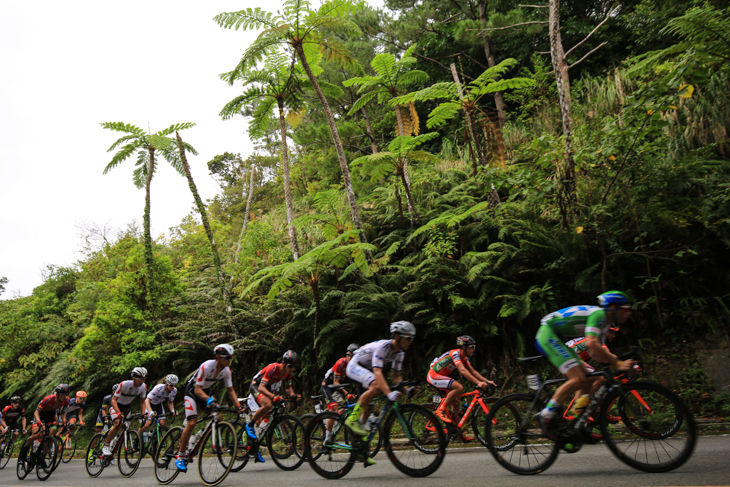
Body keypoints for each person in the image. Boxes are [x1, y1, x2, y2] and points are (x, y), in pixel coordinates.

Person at [535, 291, 636, 442]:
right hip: (548, 335)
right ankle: (545, 416)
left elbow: (596, 353)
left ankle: (577, 422)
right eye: (627, 309)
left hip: (558, 338)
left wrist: (615, 365)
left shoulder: (604, 324)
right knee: (578, 379)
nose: (629, 313)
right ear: (614, 307)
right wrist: (618, 363)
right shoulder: (600, 315)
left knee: (592, 379)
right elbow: (591, 343)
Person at [345, 321, 418, 466]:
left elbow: (396, 377)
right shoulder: (382, 347)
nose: (410, 342)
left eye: (412, 339)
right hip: (355, 366)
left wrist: (407, 390)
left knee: (369, 408)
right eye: (408, 338)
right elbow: (377, 372)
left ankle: (361, 449)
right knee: (377, 386)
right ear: (397, 336)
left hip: (366, 372)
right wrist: (389, 393)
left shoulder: (400, 353)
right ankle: (352, 419)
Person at [177, 344, 244, 472]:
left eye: (231, 357)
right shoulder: (207, 366)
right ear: (218, 357)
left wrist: (238, 406)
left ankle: (198, 438)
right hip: (192, 391)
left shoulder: (226, 371)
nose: (230, 360)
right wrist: (208, 399)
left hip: (205, 391)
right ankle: (180, 455)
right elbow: (197, 389)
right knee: (191, 422)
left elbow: (230, 390)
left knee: (218, 417)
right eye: (227, 358)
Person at [427, 335, 496, 441]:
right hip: (433, 375)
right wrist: (478, 383)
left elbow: (473, 371)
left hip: (440, 378)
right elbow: (462, 370)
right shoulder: (455, 354)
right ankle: (440, 410)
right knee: (459, 387)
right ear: (464, 347)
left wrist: (486, 381)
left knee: (456, 403)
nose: (474, 349)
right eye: (472, 347)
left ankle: (457, 433)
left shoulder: (464, 357)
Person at [246, 350, 302, 463]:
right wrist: (273, 397)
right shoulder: (273, 368)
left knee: (271, 411)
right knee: (268, 404)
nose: (292, 369)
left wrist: (294, 395)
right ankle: (250, 425)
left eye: (294, 367)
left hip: (267, 389)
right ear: (284, 364)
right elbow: (261, 387)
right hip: (257, 386)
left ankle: (256, 443)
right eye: (291, 366)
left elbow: (288, 389)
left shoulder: (287, 374)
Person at [19, 384, 70, 467]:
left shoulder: (67, 401)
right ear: (57, 394)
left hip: (51, 416)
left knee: (51, 436)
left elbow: (63, 412)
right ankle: (23, 452)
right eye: (63, 394)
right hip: (40, 415)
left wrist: (64, 421)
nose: (64, 396)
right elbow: (36, 412)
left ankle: (42, 457)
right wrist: (39, 423)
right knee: (36, 435)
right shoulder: (49, 399)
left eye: (66, 394)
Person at [102, 367, 148, 457]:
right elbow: (113, 400)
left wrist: (144, 413)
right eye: (140, 379)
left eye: (144, 379)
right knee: (118, 424)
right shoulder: (124, 384)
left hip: (127, 407)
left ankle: (114, 447)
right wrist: (118, 412)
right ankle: (106, 445)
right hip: (116, 405)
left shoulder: (143, 387)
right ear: (133, 378)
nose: (142, 381)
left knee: (125, 429)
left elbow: (142, 401)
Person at [321, 344, 358, 442]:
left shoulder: (354, 366)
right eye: (348, 355)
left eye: (352, 356)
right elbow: (336, 382)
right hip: (328, 385)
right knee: (334, 410)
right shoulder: (340, 363)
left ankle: (327, 417)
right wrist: (346, 394)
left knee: (346, 406)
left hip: (335, 387)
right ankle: (327, 439)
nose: (349, 357)